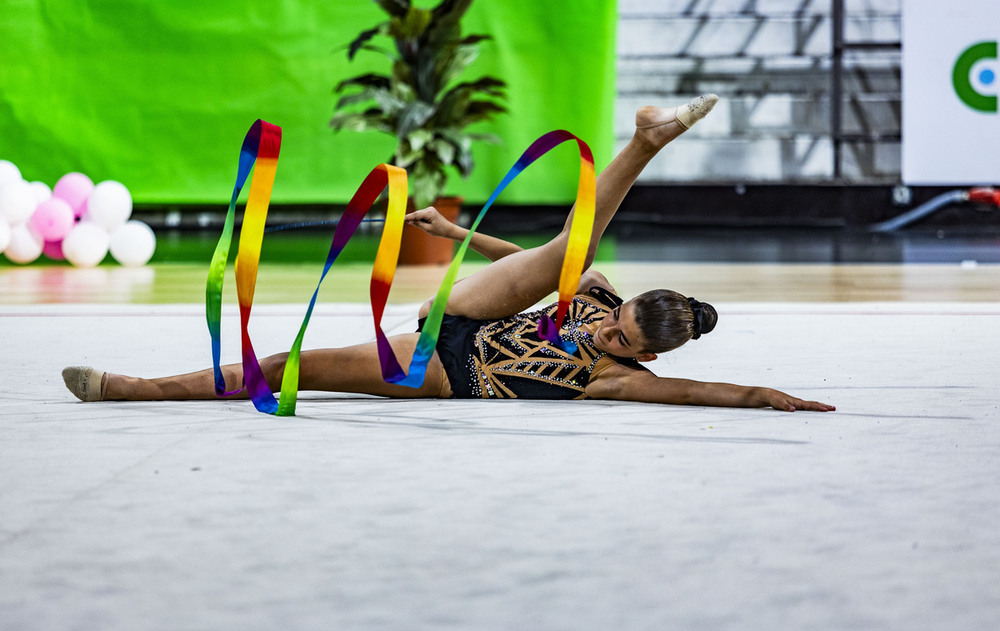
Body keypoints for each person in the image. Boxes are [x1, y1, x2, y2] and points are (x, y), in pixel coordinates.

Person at [62, 94, 835, 412]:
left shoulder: (613, 378)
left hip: (444, 364)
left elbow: (705, 392)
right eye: (617, 321)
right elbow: (520, 258)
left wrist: (766, 395)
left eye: (623, 340)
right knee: (572, 257)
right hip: (465, 309)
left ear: (642, 358)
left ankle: (139, 387)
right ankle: (642, 145)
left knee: (289, 363)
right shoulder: (598, 298)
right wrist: (455, 232)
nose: (606, 332)